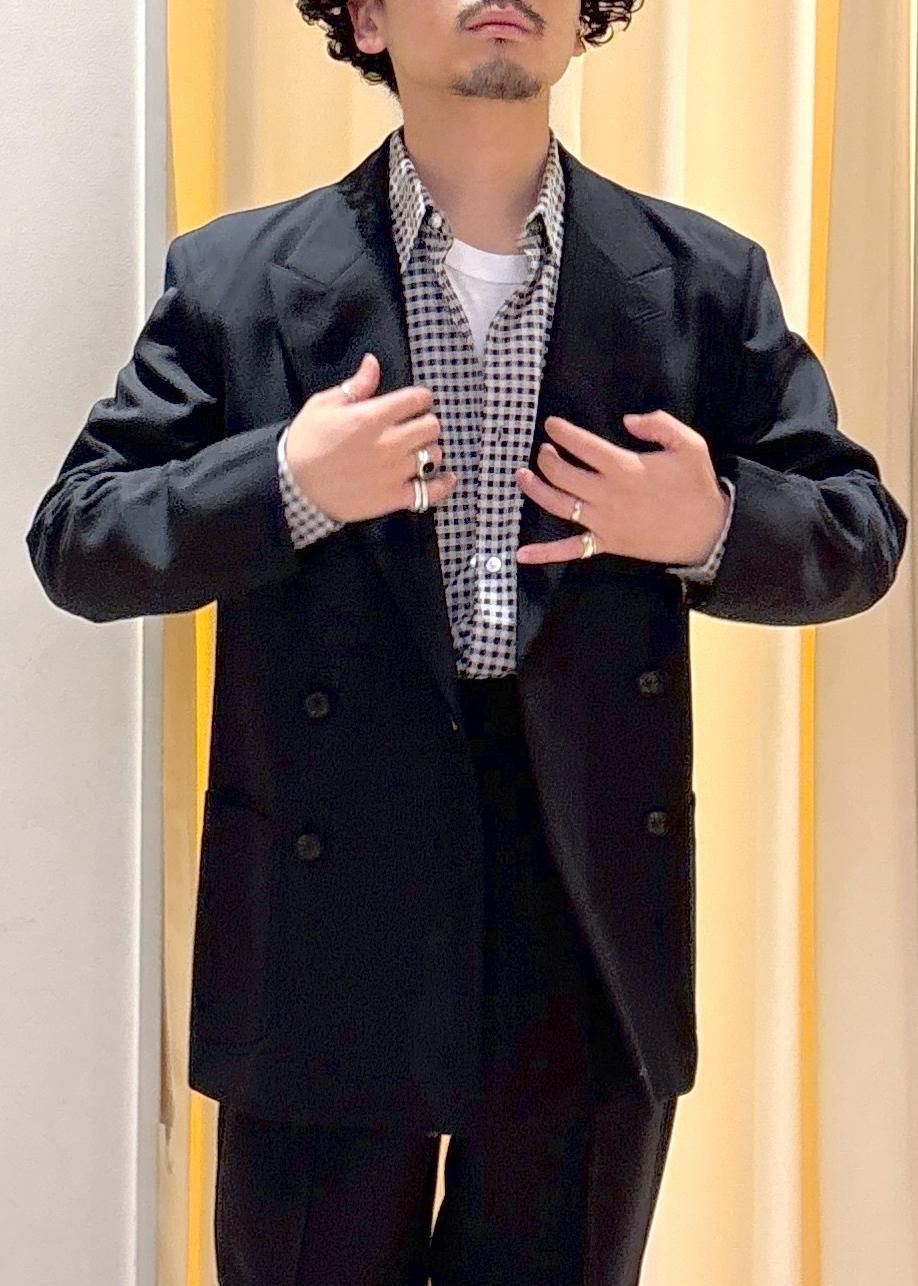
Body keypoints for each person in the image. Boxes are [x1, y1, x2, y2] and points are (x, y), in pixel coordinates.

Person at [26, 0, 908, 1281]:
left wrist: (710, 521)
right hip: (328, 904)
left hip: (585, 904)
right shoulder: (237, 276)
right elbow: (79, 537)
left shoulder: (702, 279)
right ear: (366, 16)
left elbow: (859, 530)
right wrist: (286, 481)